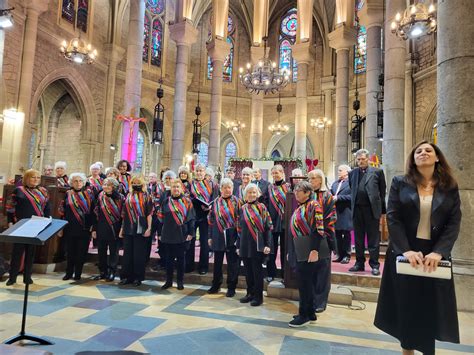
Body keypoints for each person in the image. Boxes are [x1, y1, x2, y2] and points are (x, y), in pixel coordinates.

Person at [374, 141, 461, 355]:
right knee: (407, 306)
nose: (423, 153)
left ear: (437, 157)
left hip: (433, 254)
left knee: (430, 306)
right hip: (407, 252)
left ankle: (428, 351)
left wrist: (439, 251)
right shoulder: (399, 182)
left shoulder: (449, 186)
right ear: (413, 159)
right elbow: (393, 218)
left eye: (428, 150)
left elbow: (454, 221)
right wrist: (406, 250)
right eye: (418, 151)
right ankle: (407, 351)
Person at [287, 181, 325, 328]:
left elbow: (318, 228)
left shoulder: (314, 205)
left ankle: (304, 315)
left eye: (299, 191)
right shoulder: (301, 206)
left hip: (309, 248)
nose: (296, 193)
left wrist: (314, 250)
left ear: (308, 192)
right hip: (301, 246)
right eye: (296, 191)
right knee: (305, 282)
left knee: (305, 283)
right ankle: (310, 312)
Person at [5, 169, 51, 285]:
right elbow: (10, 207)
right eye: (33, 177)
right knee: (17, 252)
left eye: (38, 178)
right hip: (21, 225)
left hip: (37, 225)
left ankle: (27, 277)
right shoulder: (19, 190)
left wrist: (47, 220)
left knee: (31, 252)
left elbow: (47, 208)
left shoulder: (43, 191)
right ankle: (12, 277)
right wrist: (10, 221)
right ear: (26, 178)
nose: (36, 180)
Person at [348, 148, 386, 276]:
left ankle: (374, 265)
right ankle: (359, 263)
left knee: (373, 239)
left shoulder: (377, 172)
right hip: (357, 210)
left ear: (368, 159)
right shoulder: (352, 173)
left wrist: (382, 212)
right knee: (358, 239)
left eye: (363, 159)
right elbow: (352, 190)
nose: (360, 161)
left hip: (371, 210)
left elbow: (382, 192)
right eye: (358, 159)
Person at [237, 183, 273, 306]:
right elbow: (239, 229)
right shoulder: (242, 209)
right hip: (245, 245)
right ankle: (249, 294)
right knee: (248, 272)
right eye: (249, 192)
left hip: (258, 245)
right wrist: (238, 246)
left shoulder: (262, 207)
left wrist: (268, 245)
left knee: (257, 272)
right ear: (245, 195)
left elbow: (268, 227)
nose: (252, 194)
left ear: (257, 194)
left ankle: (258, 297)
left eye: (254, 192)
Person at [207, 178, 242, 297]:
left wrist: (239, 238)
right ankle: (216, 284)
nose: (227, 190)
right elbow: (211, 220)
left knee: (232, 263)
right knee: (217, 262)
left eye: (229, 187)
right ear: (220, 189)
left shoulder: (238, 202)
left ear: (232, 189)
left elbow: (241, 220)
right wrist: (210, 236)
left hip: (232, 236)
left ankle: (231, 287)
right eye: (225, 187)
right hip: (218, 235)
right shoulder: (216, 202)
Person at [308, 169, 336, 313]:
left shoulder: (327, 196)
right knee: (311, 269)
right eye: (310, 178)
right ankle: (311, 298)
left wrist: (321, 231)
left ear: (320, 180)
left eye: (314, 178)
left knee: (322, 271)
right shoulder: (308, 195)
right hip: (308, 238)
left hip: (323, 236)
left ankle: (321, 301)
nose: (311, 181)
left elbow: (331, 217)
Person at [158, 179, 195, 290]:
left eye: (178, 187)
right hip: (168, 234)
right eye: (174, 187)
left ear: (182, 189)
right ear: (171, 188)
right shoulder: (165, 201)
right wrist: (159, 233)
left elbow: (192, 219)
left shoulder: (187, 202)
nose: (176, 189)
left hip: (182, 234)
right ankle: (168, 281)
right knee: (168, 259)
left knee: (180, 259)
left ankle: (180, 281)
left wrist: (191, 233)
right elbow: (160, 218)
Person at [59, 173, 95, 281]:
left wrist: (93, 227)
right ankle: (68, 273)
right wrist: (60, 227)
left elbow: (94, 212)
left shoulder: (89, 194)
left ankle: (78, 273)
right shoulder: (68, 194)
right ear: (71, 183)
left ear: (84, 182)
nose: (78, 183)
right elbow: (62, 211)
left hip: (84, 228)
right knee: (70, 252)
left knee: (81, 252)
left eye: (80, 181)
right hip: (70, 227)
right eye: (75, 181)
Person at [119, 176, 153, 286]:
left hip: (141, 227)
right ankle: (126, 277)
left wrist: (149, 228)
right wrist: (122, 228)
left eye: (138, 182)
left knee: (139, 254)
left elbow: (149, 213)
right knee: (127, 253)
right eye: (133, 182)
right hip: (128, 226)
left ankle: (138, 277)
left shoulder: (147, 196)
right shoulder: (128, 195)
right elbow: (124, 213)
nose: (135, 184)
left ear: (142, 184)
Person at [187, 163, 219, 274]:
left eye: (201, 170)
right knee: (190, 240)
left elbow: (215, 198)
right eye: (197, 170)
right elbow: (187, 198)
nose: (199, 173)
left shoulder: (212, 184)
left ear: (205, 172)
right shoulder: (190, 184)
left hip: (206, 216)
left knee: (204, 241)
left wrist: (209, 206)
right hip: (193, 215)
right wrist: (195, 200)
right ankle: (189, 265)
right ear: (194, 172)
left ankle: (203, 267)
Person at [92, 178, 124, 282]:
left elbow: (124, 215)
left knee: (114, 252)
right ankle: (103, 272)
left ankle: (112, 272)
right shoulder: (100, 196)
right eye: (104, 184)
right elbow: (96, 213)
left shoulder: (121, 198)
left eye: (109, 185)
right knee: (101, 251)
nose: (106, 186)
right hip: (101, 227)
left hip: (115, 228)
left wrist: (122, 229)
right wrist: (94, 229)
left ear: (114, 187)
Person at [266, 164, 291, 281]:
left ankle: (285, 274)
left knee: (284, 249)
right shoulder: (269, 188)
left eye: (278, 173)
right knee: (272, 249)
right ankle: (271, 273)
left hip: (285, 222)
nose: (275, 175)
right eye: (274, 173)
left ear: (282, 173)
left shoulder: (289, 187)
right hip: (273, 222)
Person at [331, 164, 353, 264]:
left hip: (346, 211)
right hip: (336, 212)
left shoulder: (351, 183)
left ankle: (347, 255)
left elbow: (352, 197)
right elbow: (331, 194)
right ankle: (339, 255)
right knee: (337, 234)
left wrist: (339, 198)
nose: (338, 172)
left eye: (340, 170)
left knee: (346, 234)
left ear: (347, 172)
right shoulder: (335, 183)